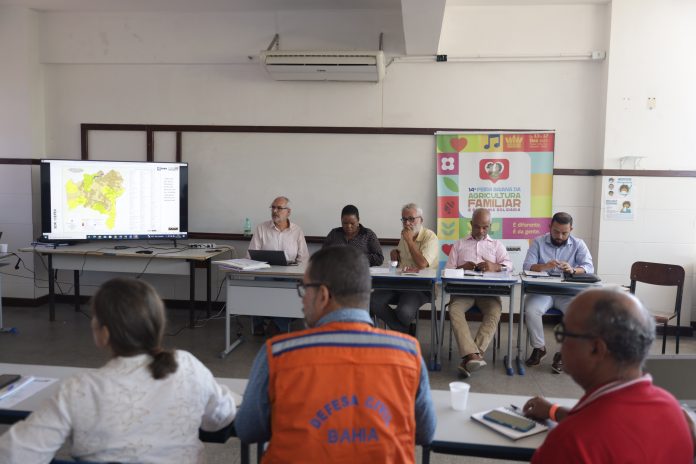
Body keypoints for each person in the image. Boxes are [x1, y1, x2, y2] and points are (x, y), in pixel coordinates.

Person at [0, 278, 237, 464]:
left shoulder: (81, 389)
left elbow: (14, 455)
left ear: (103, 334)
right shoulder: (187, 366)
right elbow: (220, 418)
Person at [235, 246, 436, 463]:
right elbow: (426, 433)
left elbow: (248, 430)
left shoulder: (277, 355)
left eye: (304, 289)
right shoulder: (408, 354)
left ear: (322, 295)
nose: (302, 299)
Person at [523, 289, 693, 463]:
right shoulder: (677, 415)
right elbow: (615, 426)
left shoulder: (568, 443)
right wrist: (554, 411)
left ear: (596, 349)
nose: (560, 342)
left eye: (565, 333)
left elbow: (595, 430)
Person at [444, 208, 512, 378]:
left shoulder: (497, 246)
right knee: (454, 310)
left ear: (490, 226)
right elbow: (447, 271)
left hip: (488, 294)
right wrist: (461, 268)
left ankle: (471, 356)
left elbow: (510, 267)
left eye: (485, 227)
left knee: (495, 311)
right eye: (477, 227)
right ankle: (473, 356)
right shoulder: (459, 244)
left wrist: (495, 266)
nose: (481, 231)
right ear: (470, 224)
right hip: (462, 293)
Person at [523, 212, 594, 373]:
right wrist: (544, 266)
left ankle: (564, 353)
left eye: (564, 233)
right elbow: (527, 266)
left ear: (571, 230)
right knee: (531, 309)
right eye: (556, 232)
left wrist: (573, 269)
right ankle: (539, 348)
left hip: (567, 293)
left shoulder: (578, 244)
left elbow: (589, 267)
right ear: (550, 227)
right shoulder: (538, 242)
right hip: (543, 291)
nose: (560, 236)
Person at [369, 203, 439, 333]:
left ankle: (401, 330)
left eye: (411, 219)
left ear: (421, 220)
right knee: (372, 300)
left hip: (422, 287)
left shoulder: (430, 237)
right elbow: (401, 261)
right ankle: (405, 330)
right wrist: (394, 254)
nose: (407, 223)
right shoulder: (405, 236)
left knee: (404, 312)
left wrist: (410, 242)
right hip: (399, 283)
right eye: (404, 219)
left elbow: (422, 264)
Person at [248, 195, 309, 335]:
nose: (275, 211)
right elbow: (251, 255)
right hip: (265, 271)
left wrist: (300, 274)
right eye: (273, 207)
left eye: (279, 208)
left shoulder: (297, 231)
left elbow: (304, 258)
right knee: (259, 284)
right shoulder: (261, 228)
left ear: (288, 212)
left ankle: (279, 325)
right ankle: (258, 322)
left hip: (289, 273)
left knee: (288, 288)